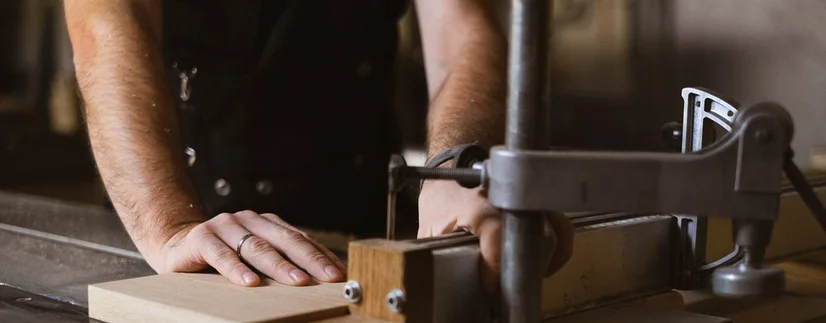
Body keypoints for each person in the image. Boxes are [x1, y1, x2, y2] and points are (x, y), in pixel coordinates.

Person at [65, 0, 572, 290]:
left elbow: (462, 30)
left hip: (361, 221)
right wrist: (168, 224)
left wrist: (459, 168)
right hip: (180, 224)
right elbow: (107, 20)